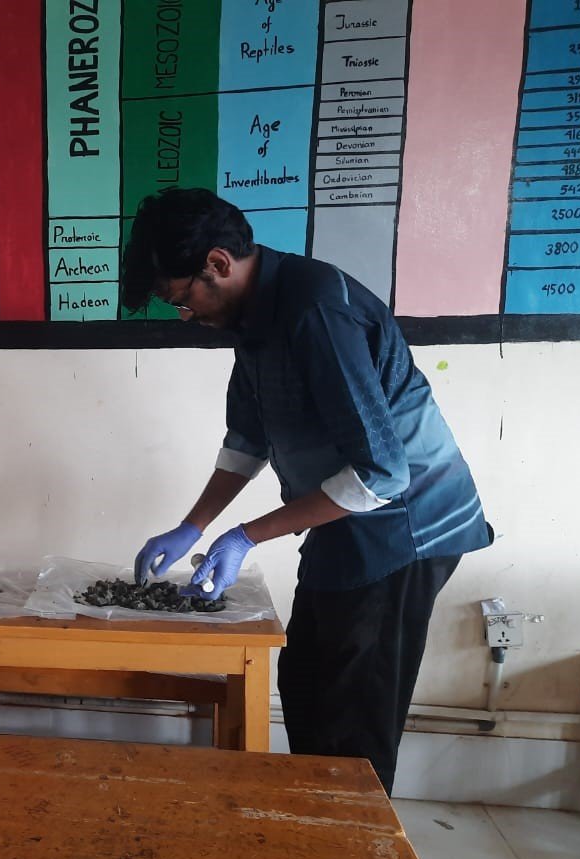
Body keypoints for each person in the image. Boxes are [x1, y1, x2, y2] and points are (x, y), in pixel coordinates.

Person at [125, 187, 491, 794]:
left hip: (404, 527)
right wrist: (193, 526)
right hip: (341, 515)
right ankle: (319, 824)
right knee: (304, 682)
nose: (184, 315)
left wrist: (247, 536)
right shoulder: (253, 317)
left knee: (352, 718)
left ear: (217, 263)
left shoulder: (313, 309)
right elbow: (247, 440)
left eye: (182, 299)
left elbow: (382, 474)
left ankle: (355, 843)